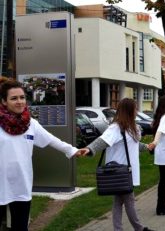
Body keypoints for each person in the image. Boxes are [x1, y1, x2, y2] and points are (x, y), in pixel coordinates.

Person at [0, 79, 85, 231]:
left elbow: (51, 139)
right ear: (4, 101)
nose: (19, 102)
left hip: (21, 184)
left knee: (20, 228)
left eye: (22, 97)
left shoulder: (30, 123)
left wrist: (72, 150)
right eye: (14, 98)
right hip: (1, 184)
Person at [81, 98, 153, 231]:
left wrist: (147, 147)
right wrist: (90, 149)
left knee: (118, 202)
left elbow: (134, 145)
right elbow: (102, 141)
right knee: (129, 201)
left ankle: (121, 229)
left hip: (126, 172)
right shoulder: (115, 128)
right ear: (129, 110)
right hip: (120, 172)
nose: (137, 111)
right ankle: (139, 228)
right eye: (135, 108)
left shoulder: (130, 128)